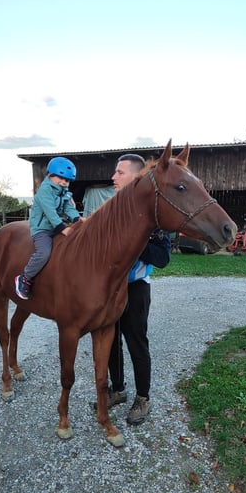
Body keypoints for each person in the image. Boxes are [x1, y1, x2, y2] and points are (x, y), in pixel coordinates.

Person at [91, 153, 171, 425]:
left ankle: (142, 397)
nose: (113, 177)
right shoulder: (110, 209)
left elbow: (162, 259)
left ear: (136, 177)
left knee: (136, 343)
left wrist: (134, 241)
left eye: (120, 172)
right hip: (109, 290)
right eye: (115, 172)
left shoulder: (154, 215)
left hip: (136, 289)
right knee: (109, 342)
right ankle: (118, 389)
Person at [15, 156, 82, 300]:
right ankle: (25, 277)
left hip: (57, 226)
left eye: (67, 180)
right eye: (61, 178)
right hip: (42, 229)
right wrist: (63, 228)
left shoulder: (64, 192)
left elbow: (68, 208)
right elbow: (50, 212)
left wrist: (77, 220)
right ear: (50, 175)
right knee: (44, 252)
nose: (64, 182)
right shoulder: (44, 191)